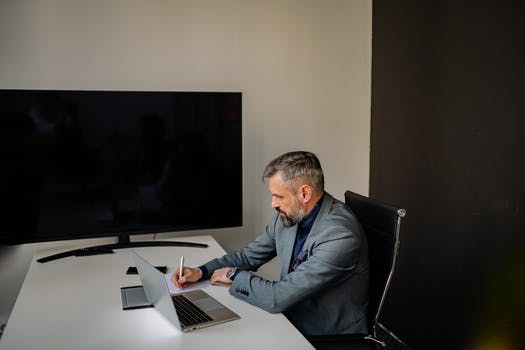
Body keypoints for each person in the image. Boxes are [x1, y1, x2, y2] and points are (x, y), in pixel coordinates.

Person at [172, 151, 370, 336]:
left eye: (279, 196)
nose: (273, 203)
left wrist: (234, 274)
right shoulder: (290, 215)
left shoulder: (339, 235)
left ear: (304, 194)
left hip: (322, 333)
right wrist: (201, 272)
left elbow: (278, 297)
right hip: (288, 316)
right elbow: (249, 256)